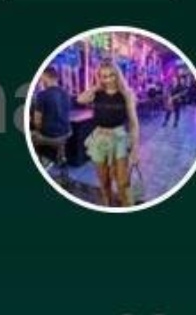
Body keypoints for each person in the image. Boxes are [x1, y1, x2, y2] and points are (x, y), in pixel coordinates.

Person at [83, 54, 140, 208]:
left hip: (119, 138)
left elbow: (134, 124)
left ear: (117, 75)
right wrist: (95, 86)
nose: (107, 79)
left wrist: (135, 150)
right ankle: (107, 204)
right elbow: (81, 99)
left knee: (122, 182)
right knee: (104, 180)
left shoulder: (126, 94)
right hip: (99, 138)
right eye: (103, 76)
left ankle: (127, 206)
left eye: (111, 75)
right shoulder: (97, 93)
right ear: (99, 76)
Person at [28, 67, 78, 184]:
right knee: (58, 135)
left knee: (30, 136)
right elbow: (66, 113)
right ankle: (61, 159)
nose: (40, 81)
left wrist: (36, 127)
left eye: (41, 78)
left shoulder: (42, 95)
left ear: (46, 77)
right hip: (67, 133)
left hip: (52, 137)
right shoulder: (66, 93)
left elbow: (37, 122)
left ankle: (40, 162)